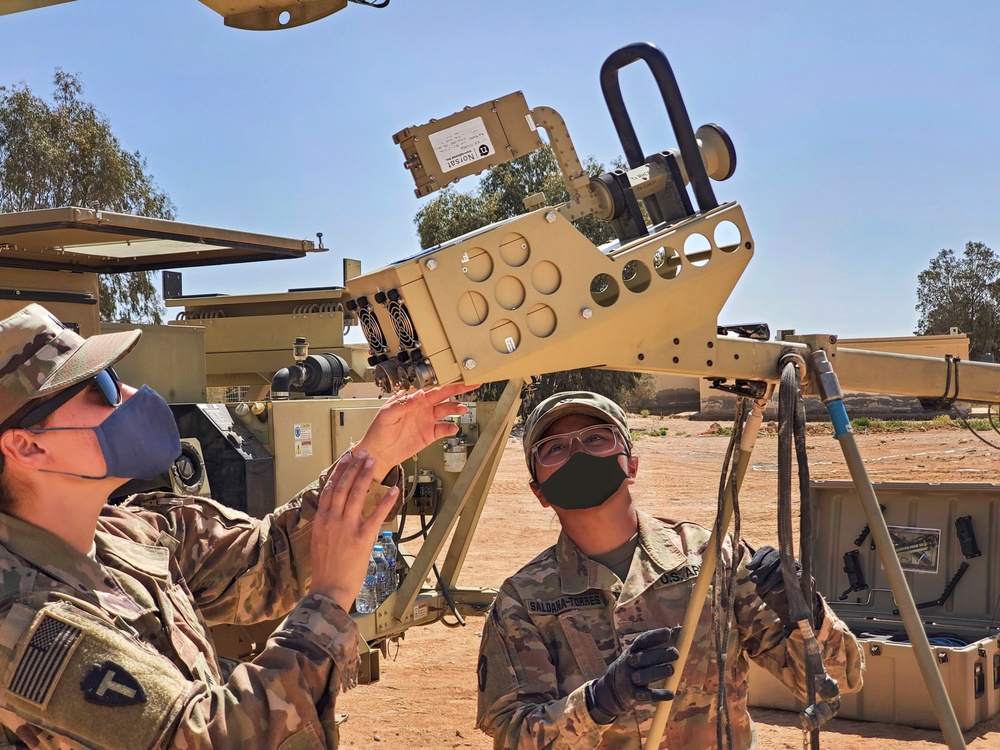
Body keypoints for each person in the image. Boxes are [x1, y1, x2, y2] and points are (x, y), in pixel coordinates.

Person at [0, 303, 472, 749]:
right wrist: (327, 602)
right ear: (27, 447)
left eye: (116, 376)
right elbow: (204, 739)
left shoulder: (134, 534)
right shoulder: (22, 626)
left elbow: (267, 561)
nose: (127, 395)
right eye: (97, 386)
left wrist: (377, 455)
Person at [475, 391, 864, 749]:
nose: (578, 454)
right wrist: (597, 701)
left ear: (632, 465)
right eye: (555, 447)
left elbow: (837, 678)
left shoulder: (714, 560)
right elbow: (513, 735)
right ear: (539, 491)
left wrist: (803, 611)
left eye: (595, 439)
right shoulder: (523, 601)